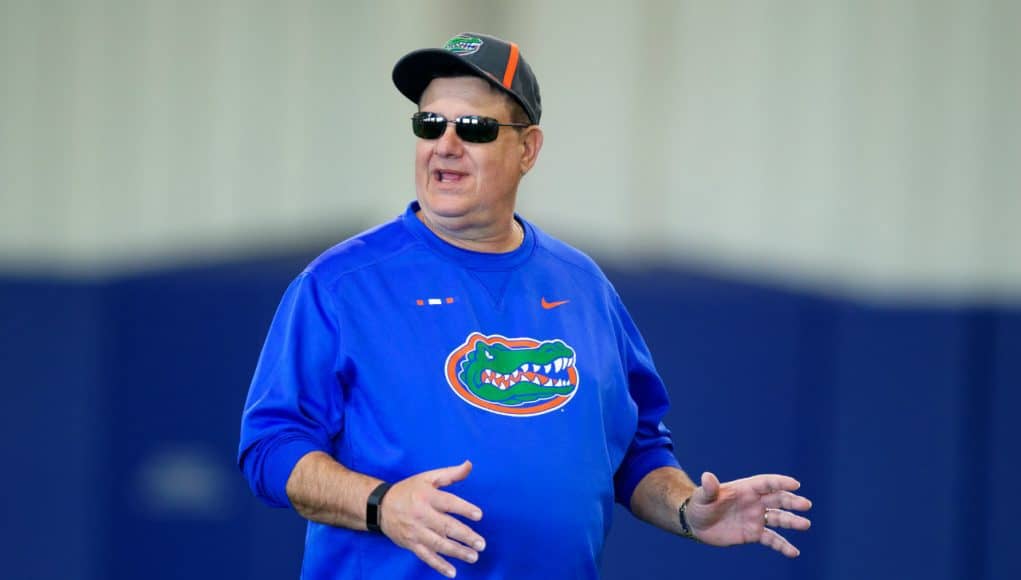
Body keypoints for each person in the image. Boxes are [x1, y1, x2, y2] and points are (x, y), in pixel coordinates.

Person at [238, 32, 811, 579]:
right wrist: (381, 504)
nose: (446, 144)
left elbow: (635, 449)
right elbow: (270, 447)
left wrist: (689, 510)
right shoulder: (342, 284)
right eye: (430, 122)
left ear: (528, 148)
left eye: (476, 128)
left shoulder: (582, 286)